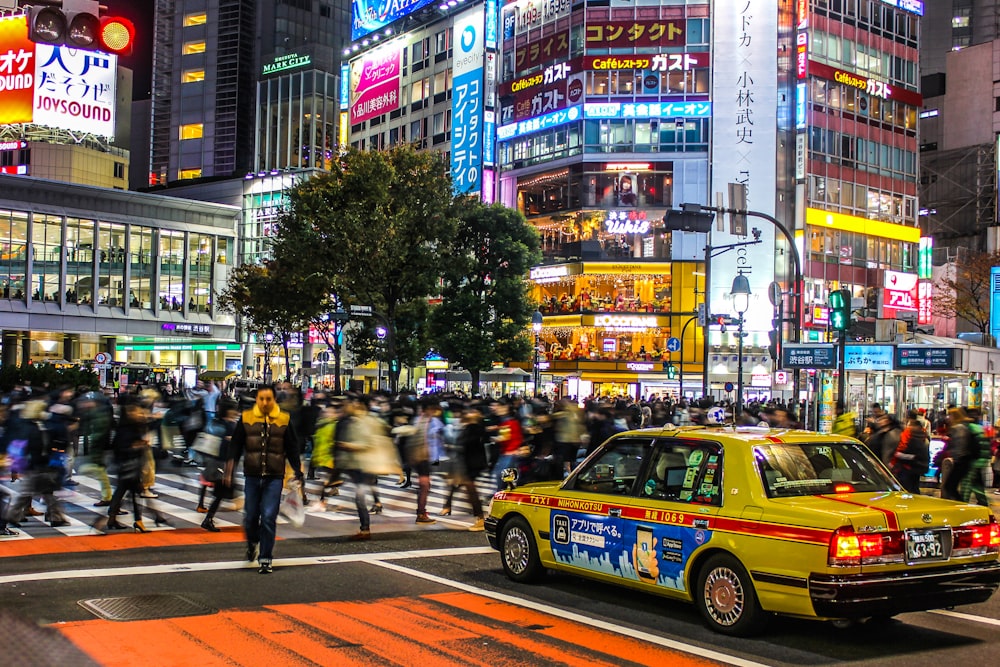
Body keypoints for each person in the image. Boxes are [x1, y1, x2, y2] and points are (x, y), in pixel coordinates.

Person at [227, 385, 303, 574]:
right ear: (257, 399)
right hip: (252, 475)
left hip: (275, 476)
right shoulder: (246, 418)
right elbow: (236, 445)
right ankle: (253, 542)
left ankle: (266, 558)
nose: (265, 402)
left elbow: (292, 447)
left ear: (274, 399)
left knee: (269, 517)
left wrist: (297, 471)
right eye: (261, 398)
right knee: (251, 516)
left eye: (268, 399)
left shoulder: (284, 419)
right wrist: (229, 468)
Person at [335, 394, 402, 540]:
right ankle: (366, 523)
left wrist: (349, 446)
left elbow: (368, 443)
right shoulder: (358, 420)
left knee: (360, 497)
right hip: (359, 464)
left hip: (364, 464)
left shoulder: (366, 421)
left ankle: (365, 529)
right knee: (360, 495)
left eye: (356, 404)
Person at [440, 405, 489, 531]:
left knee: (471, 491)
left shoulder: (475, 428)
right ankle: (477, 517)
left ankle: (480, 519)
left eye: (473, 412)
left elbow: (466, 444)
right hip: (467, 463)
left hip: (472, 464)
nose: (470, 413)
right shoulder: (470, 428)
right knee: (466, 489)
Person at [200, 400, 240, 532]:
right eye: (234, 409)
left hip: (212, 461)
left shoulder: (216, 422)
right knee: (221, 494)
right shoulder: (230, 426)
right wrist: (228, 472)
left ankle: (208, 516)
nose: (236, 412)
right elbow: (230, 451)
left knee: (220, 493)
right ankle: (208, 519)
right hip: (223, 464)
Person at [405, 398, 444, 524]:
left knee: (424, 485)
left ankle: (421, 512)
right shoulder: (424, 421)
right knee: (425, 485)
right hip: (422, 457)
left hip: (422, 457)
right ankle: (421, 513)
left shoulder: (422, 420)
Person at [892, 409, 929, 494]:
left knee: (906, 488)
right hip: (918, 466)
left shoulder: (908, 432)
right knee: (914, 487)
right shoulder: (923, 433)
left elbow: (902, 447)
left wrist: (896, 457)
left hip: (908, 466)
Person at [942, 407, 974, 501]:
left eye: (950, 415)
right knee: (951, 486)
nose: (948, 417)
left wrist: (955, 457)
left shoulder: (958, 428)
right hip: (964, 460)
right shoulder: (964, 427)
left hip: (961, 460)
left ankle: (960, 505)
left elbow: (960, 445)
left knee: (950, 486)